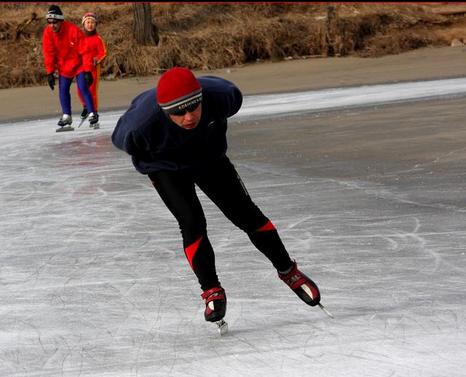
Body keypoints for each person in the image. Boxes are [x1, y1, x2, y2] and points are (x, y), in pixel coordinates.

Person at [111, 67, 321, 326]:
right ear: (165, 112)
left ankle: (288, 271)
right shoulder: (138, 127)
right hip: (166, 167)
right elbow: (124, 143)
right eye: (178, 112)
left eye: (193, 108)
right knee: (192, 222)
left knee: (245, 212)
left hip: (208, 158)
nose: (188, 117)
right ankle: (211, 289)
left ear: (201, 98)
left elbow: (224, 95)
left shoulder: (224, 96)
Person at [42, 5, 99, 130]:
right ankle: (67, 115)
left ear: (61, 21)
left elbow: (85, 51)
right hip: (64, 66)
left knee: (83, 87)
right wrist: (50, 72)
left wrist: (88, 70)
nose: (52, 25)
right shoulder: (48, 33)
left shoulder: (73, 30)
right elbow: (48, 52)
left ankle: (92, 113)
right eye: (49, 22)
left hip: (79, 64)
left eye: (55, 22)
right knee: (63, 90)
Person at [77, 12, 107, 127]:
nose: (90, 25)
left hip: (93, 69)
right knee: (80, 91)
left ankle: (94, 113)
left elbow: (103, 52)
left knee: (92, 91)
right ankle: (86, 105)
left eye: (92, 23)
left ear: (95, 25)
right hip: (81, 69)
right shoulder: (80, 38)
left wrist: (97, 59)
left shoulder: (97, 39)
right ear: (84, 24)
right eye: (88, 22)